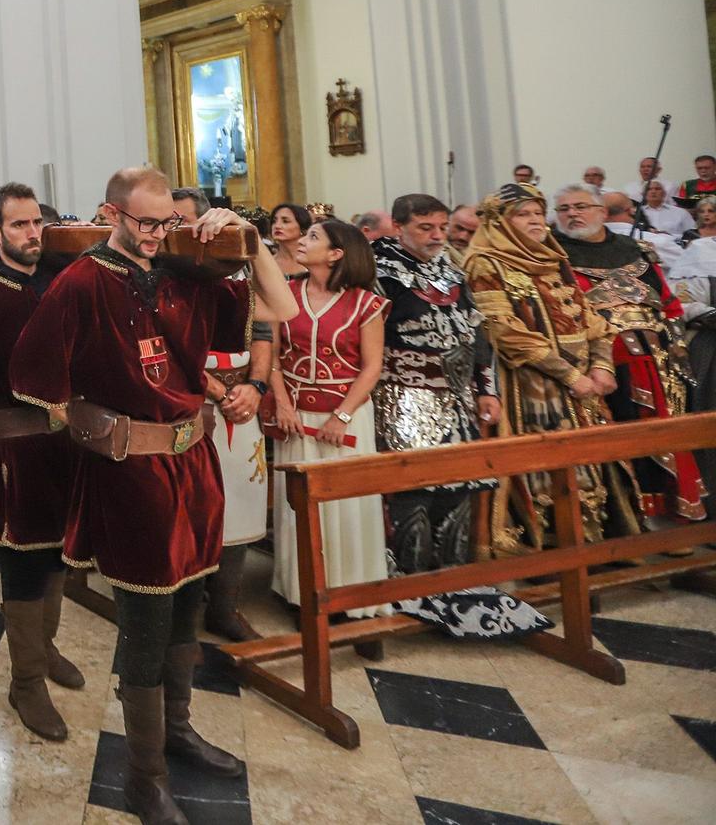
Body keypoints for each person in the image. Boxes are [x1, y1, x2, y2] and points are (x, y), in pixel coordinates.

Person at [9, 166, 297, 825]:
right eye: (144, 222)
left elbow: (279, 309)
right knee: (144, 623)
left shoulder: (184, 271)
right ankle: (145, 776)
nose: (156, 235)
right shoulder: (82, 281)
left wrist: (249, 242)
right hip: (132, 472)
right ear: (112, 213)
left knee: (188, 606)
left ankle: (179, 728)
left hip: (195, 461)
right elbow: (32, 377)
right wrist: (93, 425)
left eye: (167, 222)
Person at [0, 182, 84, 742]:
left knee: (57, 555)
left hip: (65, 444)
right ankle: (25, 681)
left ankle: (44, 648)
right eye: (20, 225)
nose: (32, 234)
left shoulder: (59, 281)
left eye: (37, 224)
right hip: (15, 445)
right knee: (25, 561)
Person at [464, 183, 642, 551]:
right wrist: (570, 374)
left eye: (537, 213)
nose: (535, 221)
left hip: (583, 385)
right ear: (500, 222)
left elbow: (591, 317)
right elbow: (503, 330)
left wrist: (602, 366)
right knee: (544, 466)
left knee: (592, 461)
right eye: (523, 214)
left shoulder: (551, 257)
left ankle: (597, 546)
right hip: (530, 382)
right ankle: (551, 551)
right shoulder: (485, 262)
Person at [552, 184, 706, 526]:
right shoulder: (551, 255)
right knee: (618, 444)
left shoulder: (638, 250)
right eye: (563, 209)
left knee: (668, 436)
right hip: (599, 363)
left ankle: (674, 526)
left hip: (658, 358)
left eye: (580, 206)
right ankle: (626, 526)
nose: (572, 214)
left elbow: (668, 303)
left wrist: (677, 347)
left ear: (602, 212)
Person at [266, 220, 392, 619]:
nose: (302, 241)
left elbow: (372, 368)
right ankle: (301, 592)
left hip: (346, 416)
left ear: (337, 254)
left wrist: (341, 415)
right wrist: (283, 404)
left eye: (313, 238)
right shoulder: (285, 293)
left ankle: (352, 596)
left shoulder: (365, 303)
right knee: (297, 507)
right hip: (295, 414)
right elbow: (271, 356)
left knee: (347, 504)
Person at [371, 196, 500, 576]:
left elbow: (476, 332)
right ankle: (411, 580)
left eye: (442, 228)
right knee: (414, 487)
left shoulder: (453, 270)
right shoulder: (381, 272)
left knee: (459, 484)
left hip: (458, 397)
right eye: (425, 228)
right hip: (405, 395)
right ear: (398, 227)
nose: (437, 236)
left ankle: (454, 575)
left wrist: (487, 389)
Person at [170, 187, 272, 646]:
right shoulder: (168, 274)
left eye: (190, 222)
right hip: (192, 403)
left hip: (243, 400)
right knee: (193, 509)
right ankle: (184, 618)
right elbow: (170, 345)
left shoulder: (238, 271)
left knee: (241, 502)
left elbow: (267, 331)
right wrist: (215, 389)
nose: (185, 232)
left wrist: (256, 386)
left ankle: (225, 608)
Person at [267, 201, 310, 276]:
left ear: (302, 228)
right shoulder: (267, 263)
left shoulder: (314, 261)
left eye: (285, 221)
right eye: (274, 221)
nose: (277, 226)